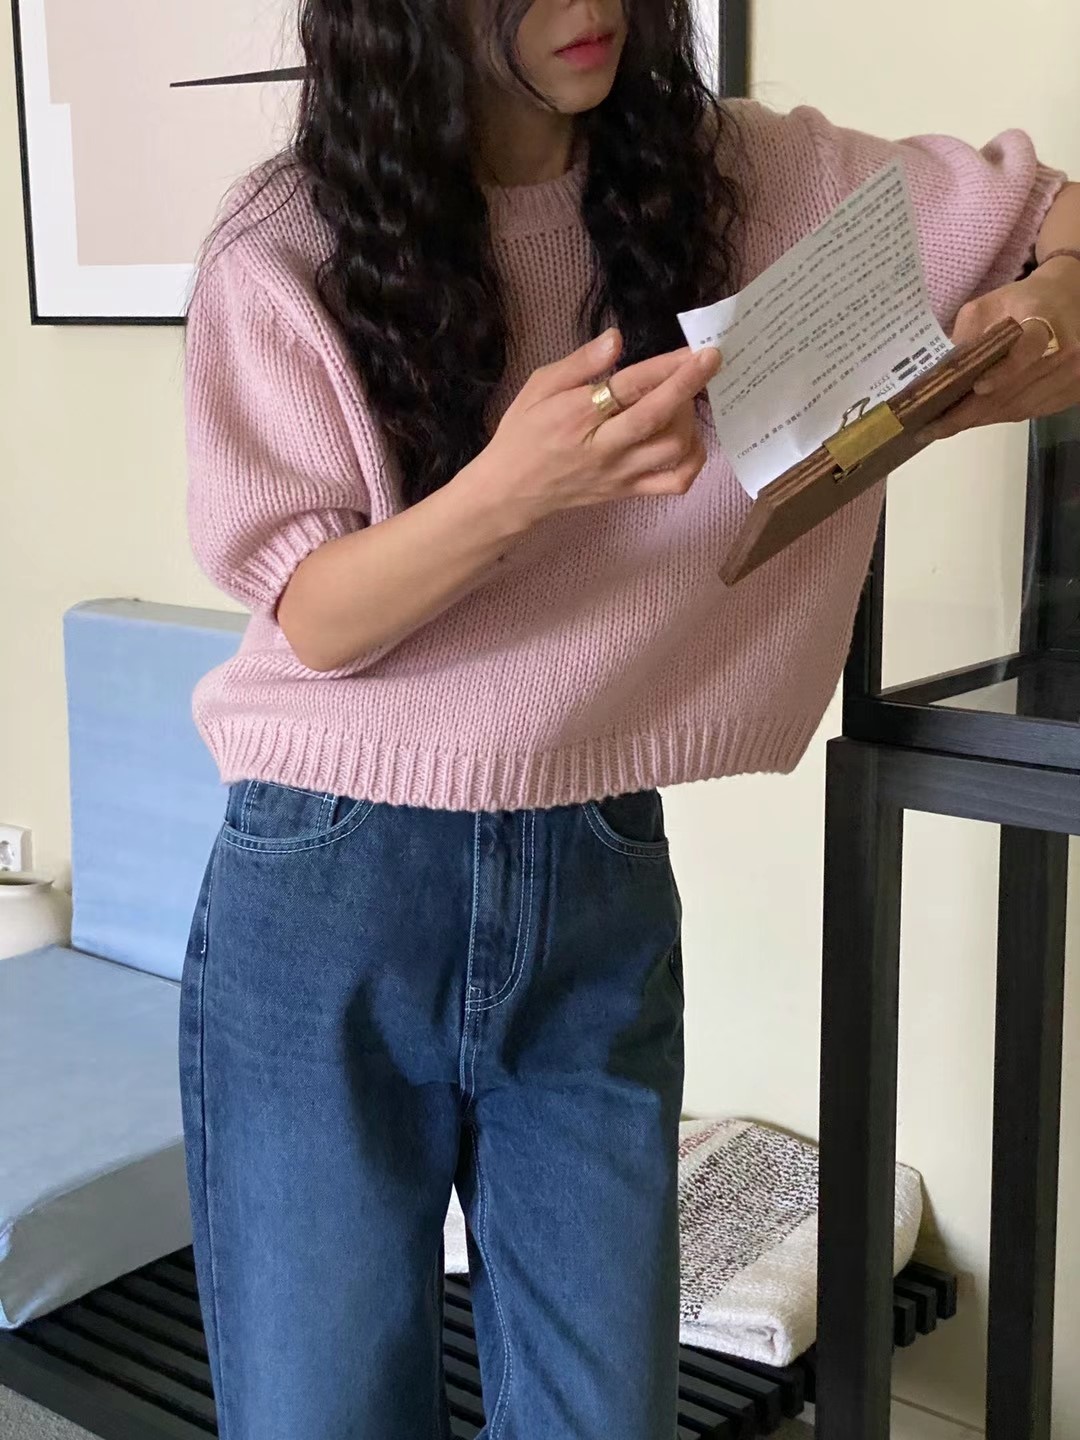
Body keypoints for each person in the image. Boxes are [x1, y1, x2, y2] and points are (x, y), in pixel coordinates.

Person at [181, 3, 1080, 1438]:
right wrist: (511, 488)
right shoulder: (285, 242)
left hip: (594, 867)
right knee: (321, 1413)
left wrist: (1054, 309)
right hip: (332, 877)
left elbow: (1049, 213)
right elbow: (313, 618)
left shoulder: (740, 178)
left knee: (605, 1416)